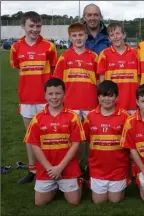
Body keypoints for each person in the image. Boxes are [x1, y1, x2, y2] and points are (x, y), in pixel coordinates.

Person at [10, 11, 58, 184]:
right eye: (31, 26)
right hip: (26, 100)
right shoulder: (16, 47)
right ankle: (32, 169)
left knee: (51, 135)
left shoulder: (49, 47)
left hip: (47, 99)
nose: (35, 29)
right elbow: (18, 69)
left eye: (38, 26)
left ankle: (51, 168)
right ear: (23, 26)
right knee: (31, 136)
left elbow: (54, 72)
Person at [24, 78, 85, 206]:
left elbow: (76, 144)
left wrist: (60, 167)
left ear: (64, 94)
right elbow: (34, 145)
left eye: (58, 93)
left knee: (74, 202)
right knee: (40, 203)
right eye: (50, 94)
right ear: (45, 95)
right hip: (47, 168)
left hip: (67, 166)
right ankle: (55, 186)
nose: (54, 97)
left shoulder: (73, 116)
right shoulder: (37, 118)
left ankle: (78, 181)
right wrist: (50, 168)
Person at [83, 80, 130, 204]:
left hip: (118, 167)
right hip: (97, 168)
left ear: (117, 97)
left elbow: (129, 144)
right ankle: (91, 181)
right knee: (99, 202)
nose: (107, 99)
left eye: (110, 95)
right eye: (103, 95)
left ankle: (123, 181)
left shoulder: (125, 117)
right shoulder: (90, 117)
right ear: (98, 97)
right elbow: (88, 140)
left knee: (115, 200)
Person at [53, 22, 98, 120]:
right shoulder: (64, 57)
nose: (78, 38)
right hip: (70, 102)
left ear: (86, 36)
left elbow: (99, 81)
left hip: (90, 102)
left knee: (90, 133)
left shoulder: (94, 57)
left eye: (81, 35)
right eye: (74, 35)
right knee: (72, 133)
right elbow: (57, 81)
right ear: (70, 38)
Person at [97, 23, 139, 114]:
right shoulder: (104, 54)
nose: (115, 37)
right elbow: (102, 81)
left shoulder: (135, 53)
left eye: (117, 33)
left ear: (124, 35)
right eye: (112, 35)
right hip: (112, 103)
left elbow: (139, 78)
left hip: (131, 102)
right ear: (109, 38)